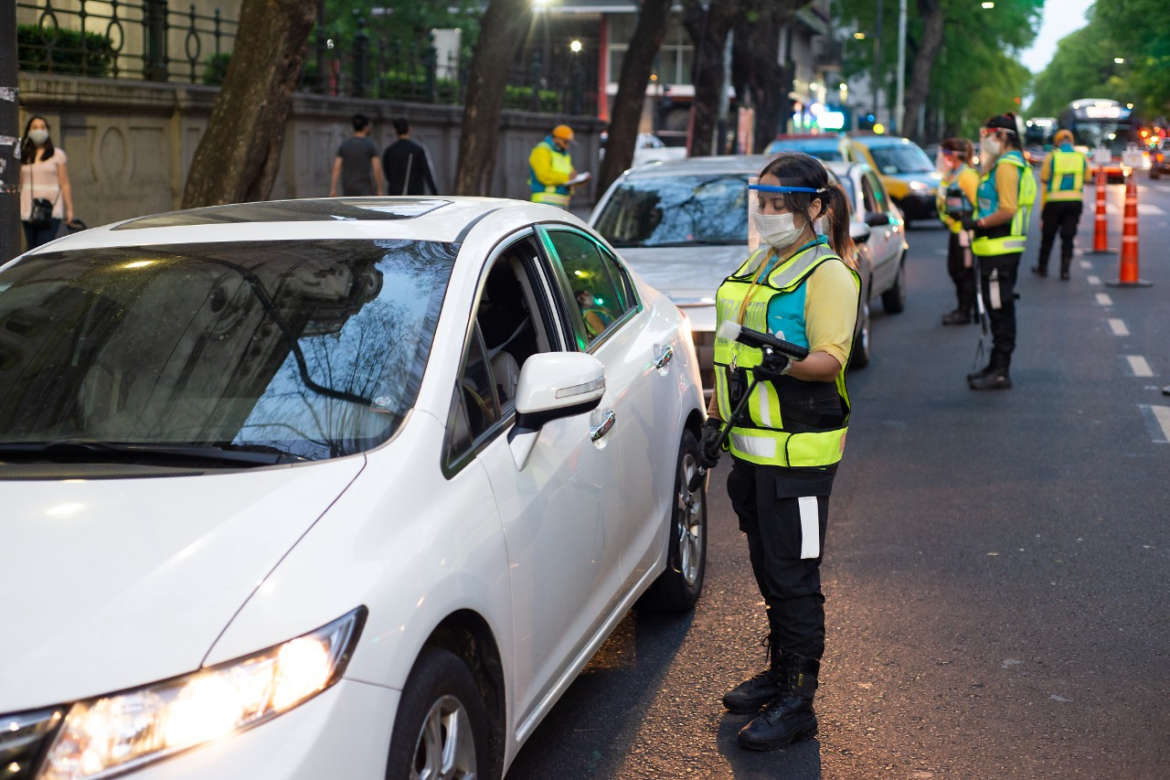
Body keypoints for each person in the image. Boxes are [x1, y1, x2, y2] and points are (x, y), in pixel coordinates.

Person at [700, 152, 860, 752]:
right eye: (761, 203)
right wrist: (716, 418)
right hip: (752, 452)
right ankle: (778, 672)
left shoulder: (828, 276)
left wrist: (784, 360)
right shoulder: (764, 260)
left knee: (794, 576)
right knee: (770, 569)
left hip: (798, 459)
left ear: (814, 208)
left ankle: (798, 702)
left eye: (778, 206)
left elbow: (829, 360)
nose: (766, 215)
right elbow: (731, 350)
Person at [963, 113, 1036, 391]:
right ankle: (995, 365)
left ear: (1003, 135)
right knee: (997, 308)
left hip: (999, 249)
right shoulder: (1002, 164)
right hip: (995, 249)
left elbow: (1007, 209)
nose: (986, 139)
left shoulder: (1006, 166)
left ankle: (1001, 370)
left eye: (989, 134)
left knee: (1000, 309)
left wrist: (978, 222)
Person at [935, 138, 981, 325]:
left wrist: (970, 220)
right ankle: (963, 306)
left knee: (964, 271)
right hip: (955, 229)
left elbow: (979, 204)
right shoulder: (952, 175)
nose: (943, 158)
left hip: (965, 232)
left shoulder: (967, 176)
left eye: (945, 154)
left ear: (954, 156)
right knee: (954, 270)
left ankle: (965, 310)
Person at [1034, 128, 1090, 280]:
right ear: (1072, 141)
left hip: (1053, 202)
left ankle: (1042, 267)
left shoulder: (1052, 157)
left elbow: (1044, 177)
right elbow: (1088, 178)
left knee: (1048, 235)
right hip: (1074, 202)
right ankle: (1065, 270)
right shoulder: (1081, 157)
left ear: (1057, 142)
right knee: (1068, 237)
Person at [19, 115, 74, 250]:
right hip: (28, 207)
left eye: (42, 127)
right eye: (35, 127)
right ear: (28, 131)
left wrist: (70, 210)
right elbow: (20, 182)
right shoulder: (23, 155)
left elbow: (64, 183)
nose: (39, 130)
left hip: (50, 208)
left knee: (43, 246)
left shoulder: (57, 154)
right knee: (31, 249)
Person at [529, 125, 589, 209]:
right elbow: (544, 176)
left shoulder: (563, 154)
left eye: (569, 143)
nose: (567, 145)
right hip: (544, 203)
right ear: (556, 138)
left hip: (561, 205)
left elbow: (570, 176)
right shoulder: (542, 150)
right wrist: (568, 178)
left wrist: (580, 180)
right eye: (565, 142)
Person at [330, 113, 384, 197]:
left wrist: (333, 189)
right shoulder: (370, 144)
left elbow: (336, 167)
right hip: (365, 188)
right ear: (366, 128)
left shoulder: (345, 144)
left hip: (347, 187)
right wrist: (380, 189)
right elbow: (376, 168)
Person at [382, 118, 438, 196]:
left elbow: (387, 173)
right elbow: (427, 172)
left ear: (395, 130)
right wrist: (434, 192)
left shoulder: (389, 151)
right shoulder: (418, 150)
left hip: (395, 193)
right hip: (415, 193)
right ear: (409, 129)